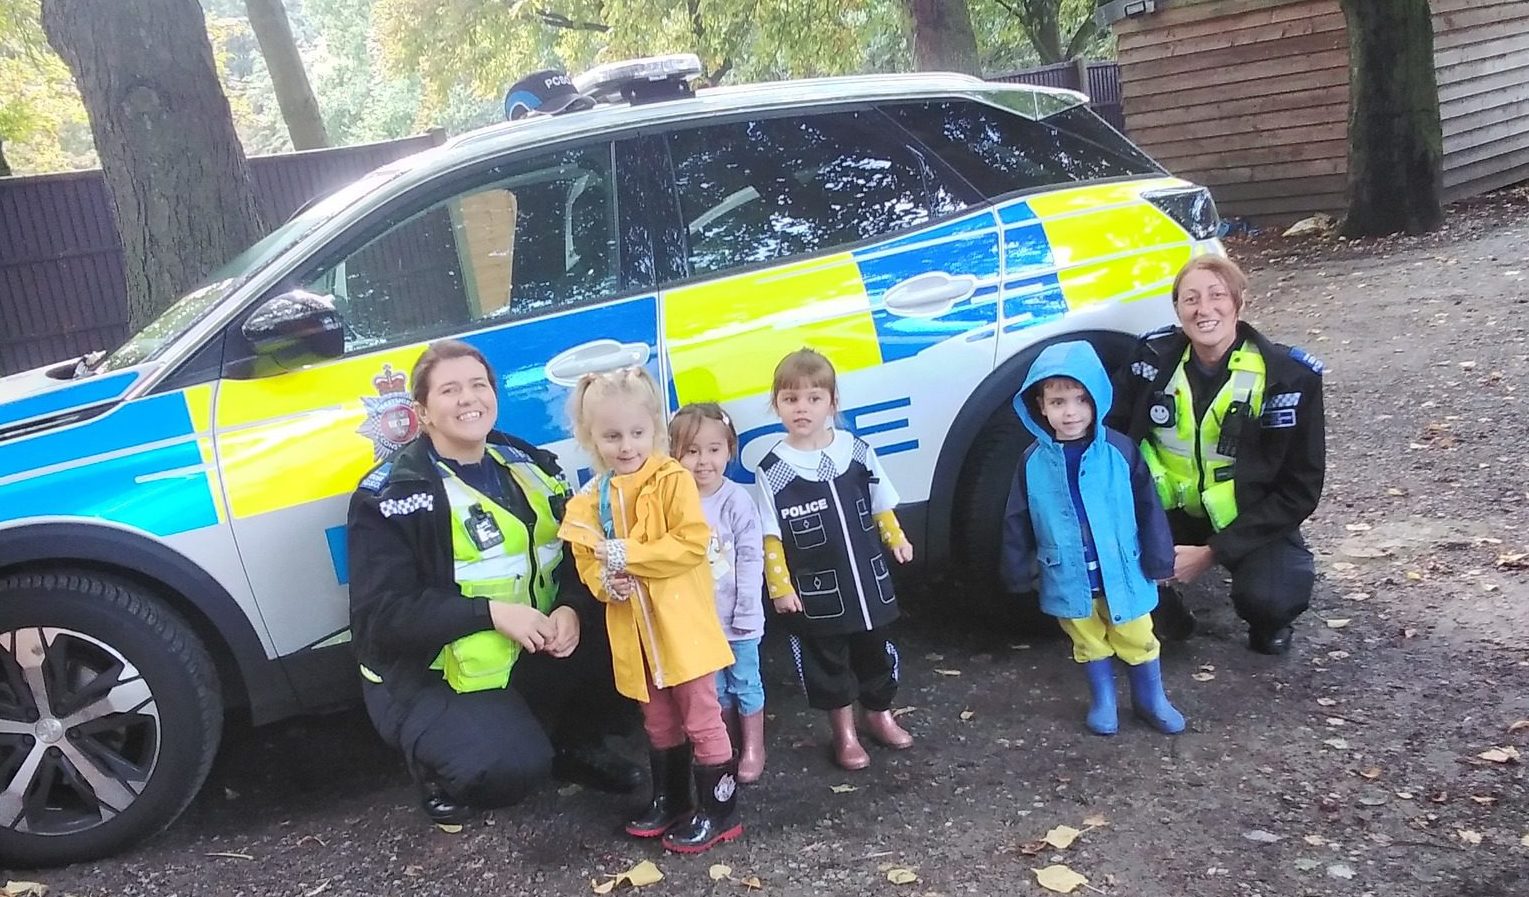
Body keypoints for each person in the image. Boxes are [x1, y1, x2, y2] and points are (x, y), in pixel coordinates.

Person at [347, 340, 641, 827]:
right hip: (436, 668)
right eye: (449, 390)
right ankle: (437, 768)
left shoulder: (528, 464)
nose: (468, 398)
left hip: (536, 640)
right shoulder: (395, 495)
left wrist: (570, 606)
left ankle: (575, 746)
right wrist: (490, 613)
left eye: (478, 385)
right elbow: (382, 619)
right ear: (423, 412)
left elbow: (578, 550)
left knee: (647, 640)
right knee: (505, 768)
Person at [558, 368, 742, 854]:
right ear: (590, 437)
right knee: (658, 720)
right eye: (612, 436)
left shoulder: (672, 479)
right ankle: (671, 799)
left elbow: (690, 544)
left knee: (702, 717)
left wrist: (628, 555)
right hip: (635, 637)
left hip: (683, 632)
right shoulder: (590, 500)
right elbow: (586, 561)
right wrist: (606, 584)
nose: (626, 446)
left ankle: (719, 810)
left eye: (637, 433)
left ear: (655, 429)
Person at [1108, 256, 1326, 655]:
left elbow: (1300, 489)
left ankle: (1269, 622)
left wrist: (1213, 553)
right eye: (1190, 299)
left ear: (1239, 302)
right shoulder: (1149, 361)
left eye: (1216, 295)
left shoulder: (1289, 378)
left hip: (1246, 514)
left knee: (1271, 597)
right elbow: (1112, 437)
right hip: (1165, 510)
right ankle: (1164, 613)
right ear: (1177, 309)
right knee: (1103, 555)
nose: (1203, 309)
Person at [1000, 341, 1184, 735]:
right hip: (1067, 574)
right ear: (1040, 406)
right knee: (1087, 640)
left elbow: (1148, 506)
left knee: (1138, 636)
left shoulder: (1120, 451)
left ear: (1098, 398)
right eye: (1058, 402)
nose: (1070, 412)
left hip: (1124, 571)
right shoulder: (1032, 462)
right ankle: (1104, 701)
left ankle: (1151, 699)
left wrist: (1159, 558)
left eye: (1081, 400)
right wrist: (1017, 570)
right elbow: (1017, 518)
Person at [753, 348, 915, 771]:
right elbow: (770, 534)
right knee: (829, 664)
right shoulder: (773, 470)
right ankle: (844, 734)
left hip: (869, 585)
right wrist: (780, 586)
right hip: (818, 595)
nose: (802, 408)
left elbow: (881, 503)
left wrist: (896, 538)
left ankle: (878, 714)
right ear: (776, 405)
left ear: (832, 402)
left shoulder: (856, 451)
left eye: (814, 398)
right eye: (790, 399)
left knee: (877, 654)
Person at [669, 402, 768, 784]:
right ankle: (726, 745)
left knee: (745, 681)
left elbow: (751, 557)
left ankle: (754, 747)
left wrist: (747, 608)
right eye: (691, 451)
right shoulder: (675, 504)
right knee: (715, 688)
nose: (703, 461)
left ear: (729, 449)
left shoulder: (736, 500)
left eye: (713, 449)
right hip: (698, 622)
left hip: (738, 616)